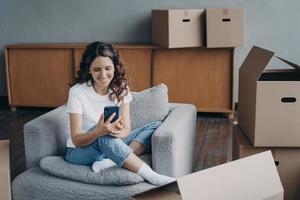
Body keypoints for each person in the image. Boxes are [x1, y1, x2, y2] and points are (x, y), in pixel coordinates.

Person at [64, 41, 175, 186]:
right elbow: (77, 139)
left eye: (108, 68)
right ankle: (152, 176)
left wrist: (118, 132)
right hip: (78, 151)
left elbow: (126, 130)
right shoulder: (77, 92)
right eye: (97, 69)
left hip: (109, 143)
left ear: (115, 68)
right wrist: (98, 132)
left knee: (155, 126)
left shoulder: (121, 88)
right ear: (89, 69)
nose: (103, 75)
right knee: (103, 137)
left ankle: (110, 161)